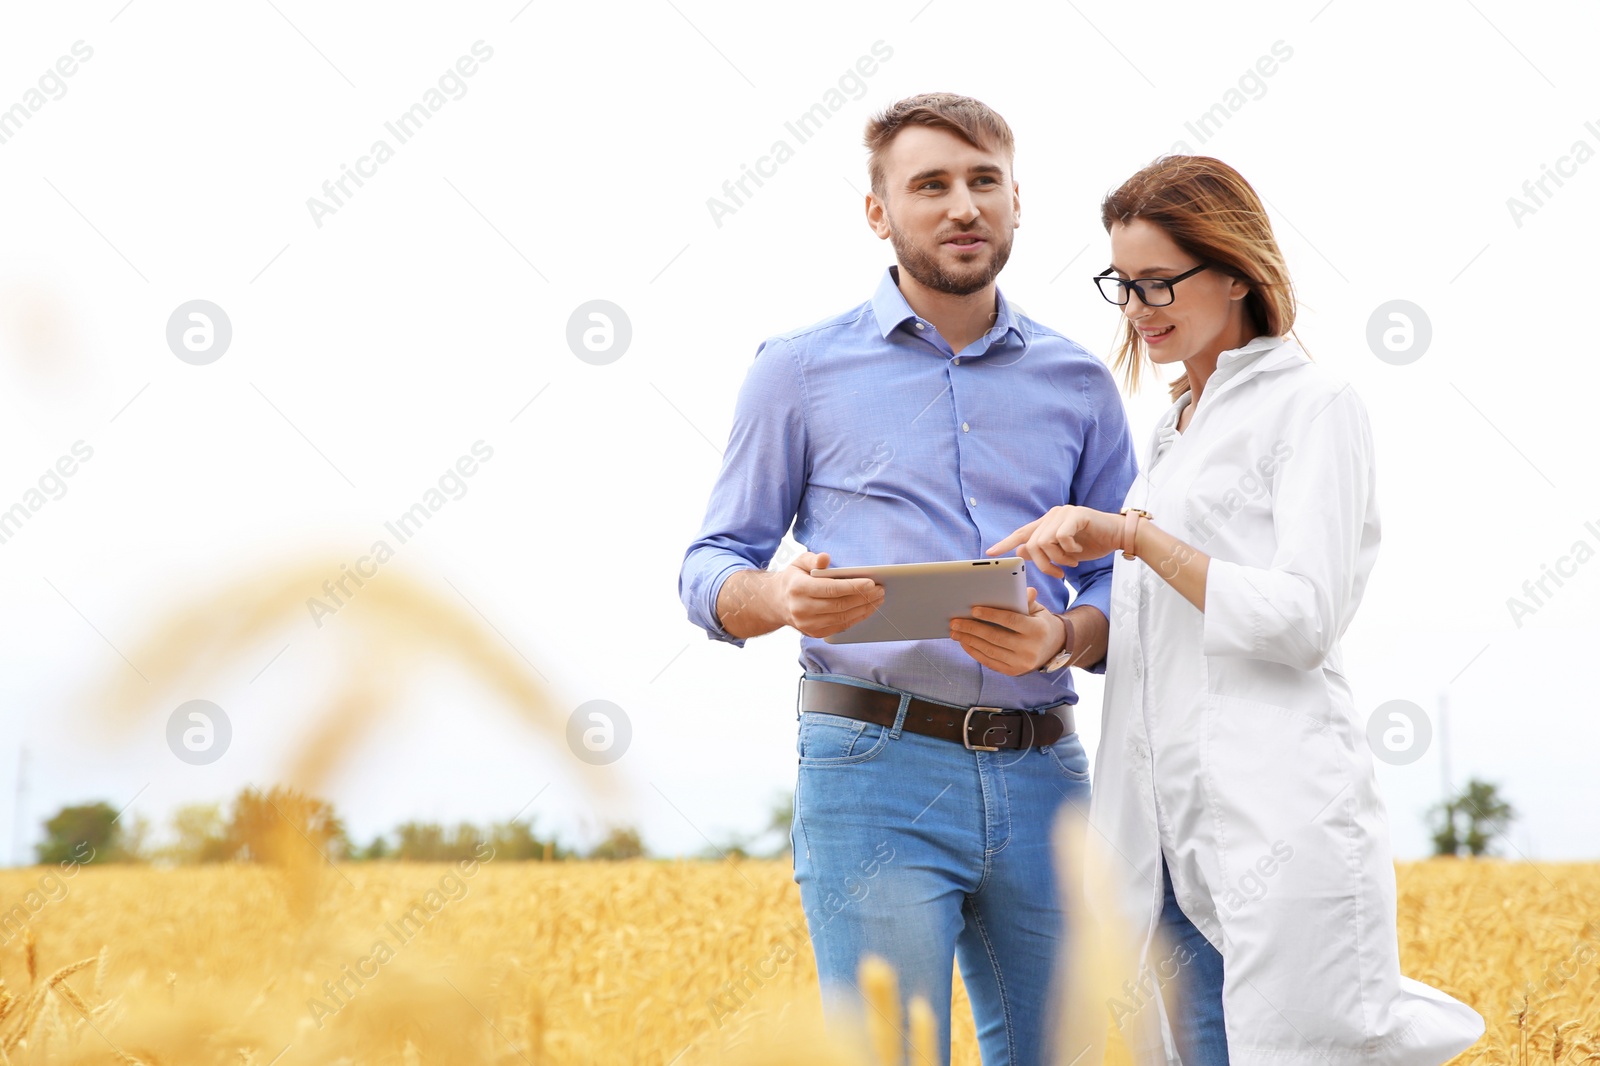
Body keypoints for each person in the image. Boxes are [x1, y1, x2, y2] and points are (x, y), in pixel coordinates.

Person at [987, 155, 1486, 1065]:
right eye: (1123, 286)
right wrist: (1056, 624)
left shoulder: (1316, 407)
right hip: (1167, 850)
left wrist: (1132, 537)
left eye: (1158, 283)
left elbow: (1302, 619)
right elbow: (1157, 641)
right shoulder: (1173, 429)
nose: (1138, 310)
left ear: (1236, 272)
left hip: (1273, 828)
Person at [677, 93, 1139, 1065]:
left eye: (983, 182)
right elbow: (709, 563)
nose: (961, 206)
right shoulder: (796, 370)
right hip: (871, 763)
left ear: (1016, 202)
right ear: (878, 212)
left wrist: (1065, 635)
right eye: (930, 185)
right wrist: (779, 595)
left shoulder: (1080, 382)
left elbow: (1119, 582)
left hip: (1045, 770)